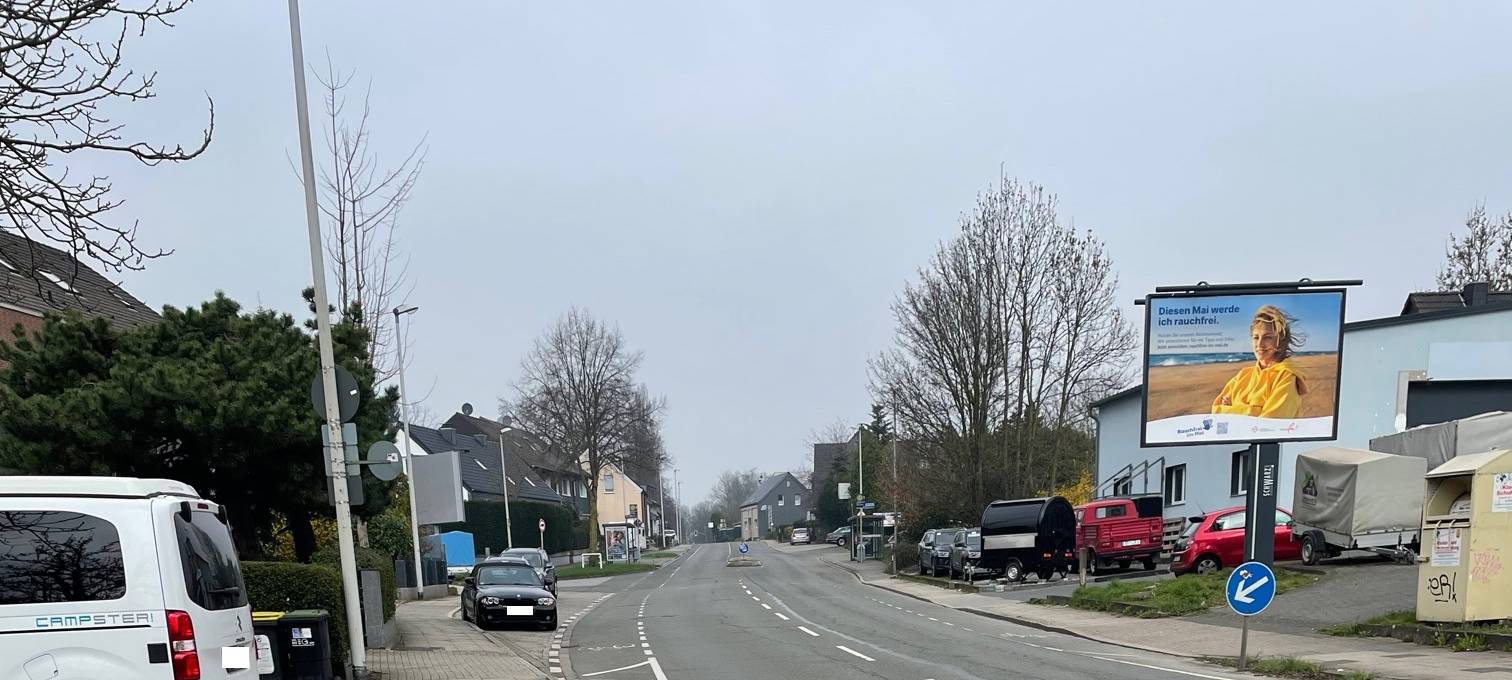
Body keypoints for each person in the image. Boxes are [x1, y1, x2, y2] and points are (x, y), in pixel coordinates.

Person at [1212, 304, 1309, 419]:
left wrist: (1231, 409)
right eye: (1256, 337)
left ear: (1281, 340)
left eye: (1268, 337)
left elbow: (1270, 424)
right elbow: (1216, 412)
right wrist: (1255, 411)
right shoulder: (1243, 374)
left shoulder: (1287, 376)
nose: (1260, 344)